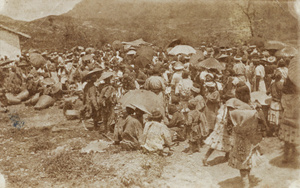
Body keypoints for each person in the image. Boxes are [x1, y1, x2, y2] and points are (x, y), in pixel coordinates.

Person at [227, 85, 266, 188]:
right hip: (251, 138)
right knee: (248, 160)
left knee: (241, 162)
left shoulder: (234, 108)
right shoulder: (254, 106)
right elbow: (261, 121)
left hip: (239, 138)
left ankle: (246, 184)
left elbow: (229, 122)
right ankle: (247, 181)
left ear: (238, 95)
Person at [278, 77, 300, 163]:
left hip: (286, 119)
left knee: (287, 141)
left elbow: (282, 107)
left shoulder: (284, 96)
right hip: (295, 119)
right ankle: (294, 154)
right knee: (294, 137)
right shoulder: (297, 97)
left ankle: (286, 157)